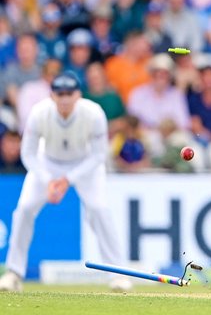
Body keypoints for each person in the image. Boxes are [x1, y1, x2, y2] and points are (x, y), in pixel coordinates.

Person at [0, 73, 131, 293]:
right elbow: (29, 154)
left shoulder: (93, 113)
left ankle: (118, 275)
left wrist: (68, 179)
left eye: (69, 93)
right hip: (47, 164)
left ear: (78, 94)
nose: (64, 99)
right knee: (24, 209)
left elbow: (99, 155)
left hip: (86, 164)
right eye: (59, 93)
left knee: (99, 210)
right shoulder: (39, 113)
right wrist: (48, 180)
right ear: (52, 95)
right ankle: (13, 274)